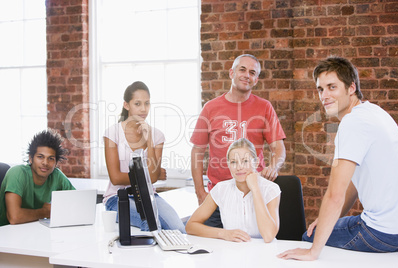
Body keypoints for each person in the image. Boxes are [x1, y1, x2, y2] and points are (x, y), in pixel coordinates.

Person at [278, 56, 398, 261]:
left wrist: (313, 251)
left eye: (332, 87)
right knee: (323, 228)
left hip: (381, 234)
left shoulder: (352, 123)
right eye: (320, 89)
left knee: (308, 237)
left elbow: (335, 194)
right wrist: (332, 220)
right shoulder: (374, 112)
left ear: (351, 87)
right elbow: (354, 182)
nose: (324, 95)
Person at [190, 54, 286, 227]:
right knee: (214, 249)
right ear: (231, 73)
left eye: (252, 72)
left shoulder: (264, 107)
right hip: (218, 198)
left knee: (254, 246)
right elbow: (197, 151)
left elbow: (279, 148)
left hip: (252, 196)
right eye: (242, 69)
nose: (246, 75)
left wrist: (273, 166)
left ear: (256, 80)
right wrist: (200, 192)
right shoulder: (211, 108)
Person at [103, 81, 185, 233]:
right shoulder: (112, 133)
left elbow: (153, 179)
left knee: (178, 228)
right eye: (137, 104)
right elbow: (115, 178)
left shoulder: (157, 135)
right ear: (126, 105)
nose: (143, 109)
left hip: (148, 196)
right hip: (117, 197)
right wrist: (147, 176)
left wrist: (149, 141)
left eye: (147, 103)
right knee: (150, 222)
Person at [186, 138, 281, 242]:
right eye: (234, 162)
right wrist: (223, 233)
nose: (239, 167)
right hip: (232, 252)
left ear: (256, 162)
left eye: (245, 161)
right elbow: (191, 226)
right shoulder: (221, 189)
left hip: (265, 253)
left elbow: (268, 236)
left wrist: (255, 189)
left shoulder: (271, 189)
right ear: (228, 164)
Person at [0, 129, 75, 226]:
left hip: (34, 230)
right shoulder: (17, 173)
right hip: (6, 234)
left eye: (51, 158)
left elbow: (76, 203)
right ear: (31, 158)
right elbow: (15, 217)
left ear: (56, 163)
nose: (45, 163)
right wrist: (46, 212)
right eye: (40, 157)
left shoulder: (57, 175)